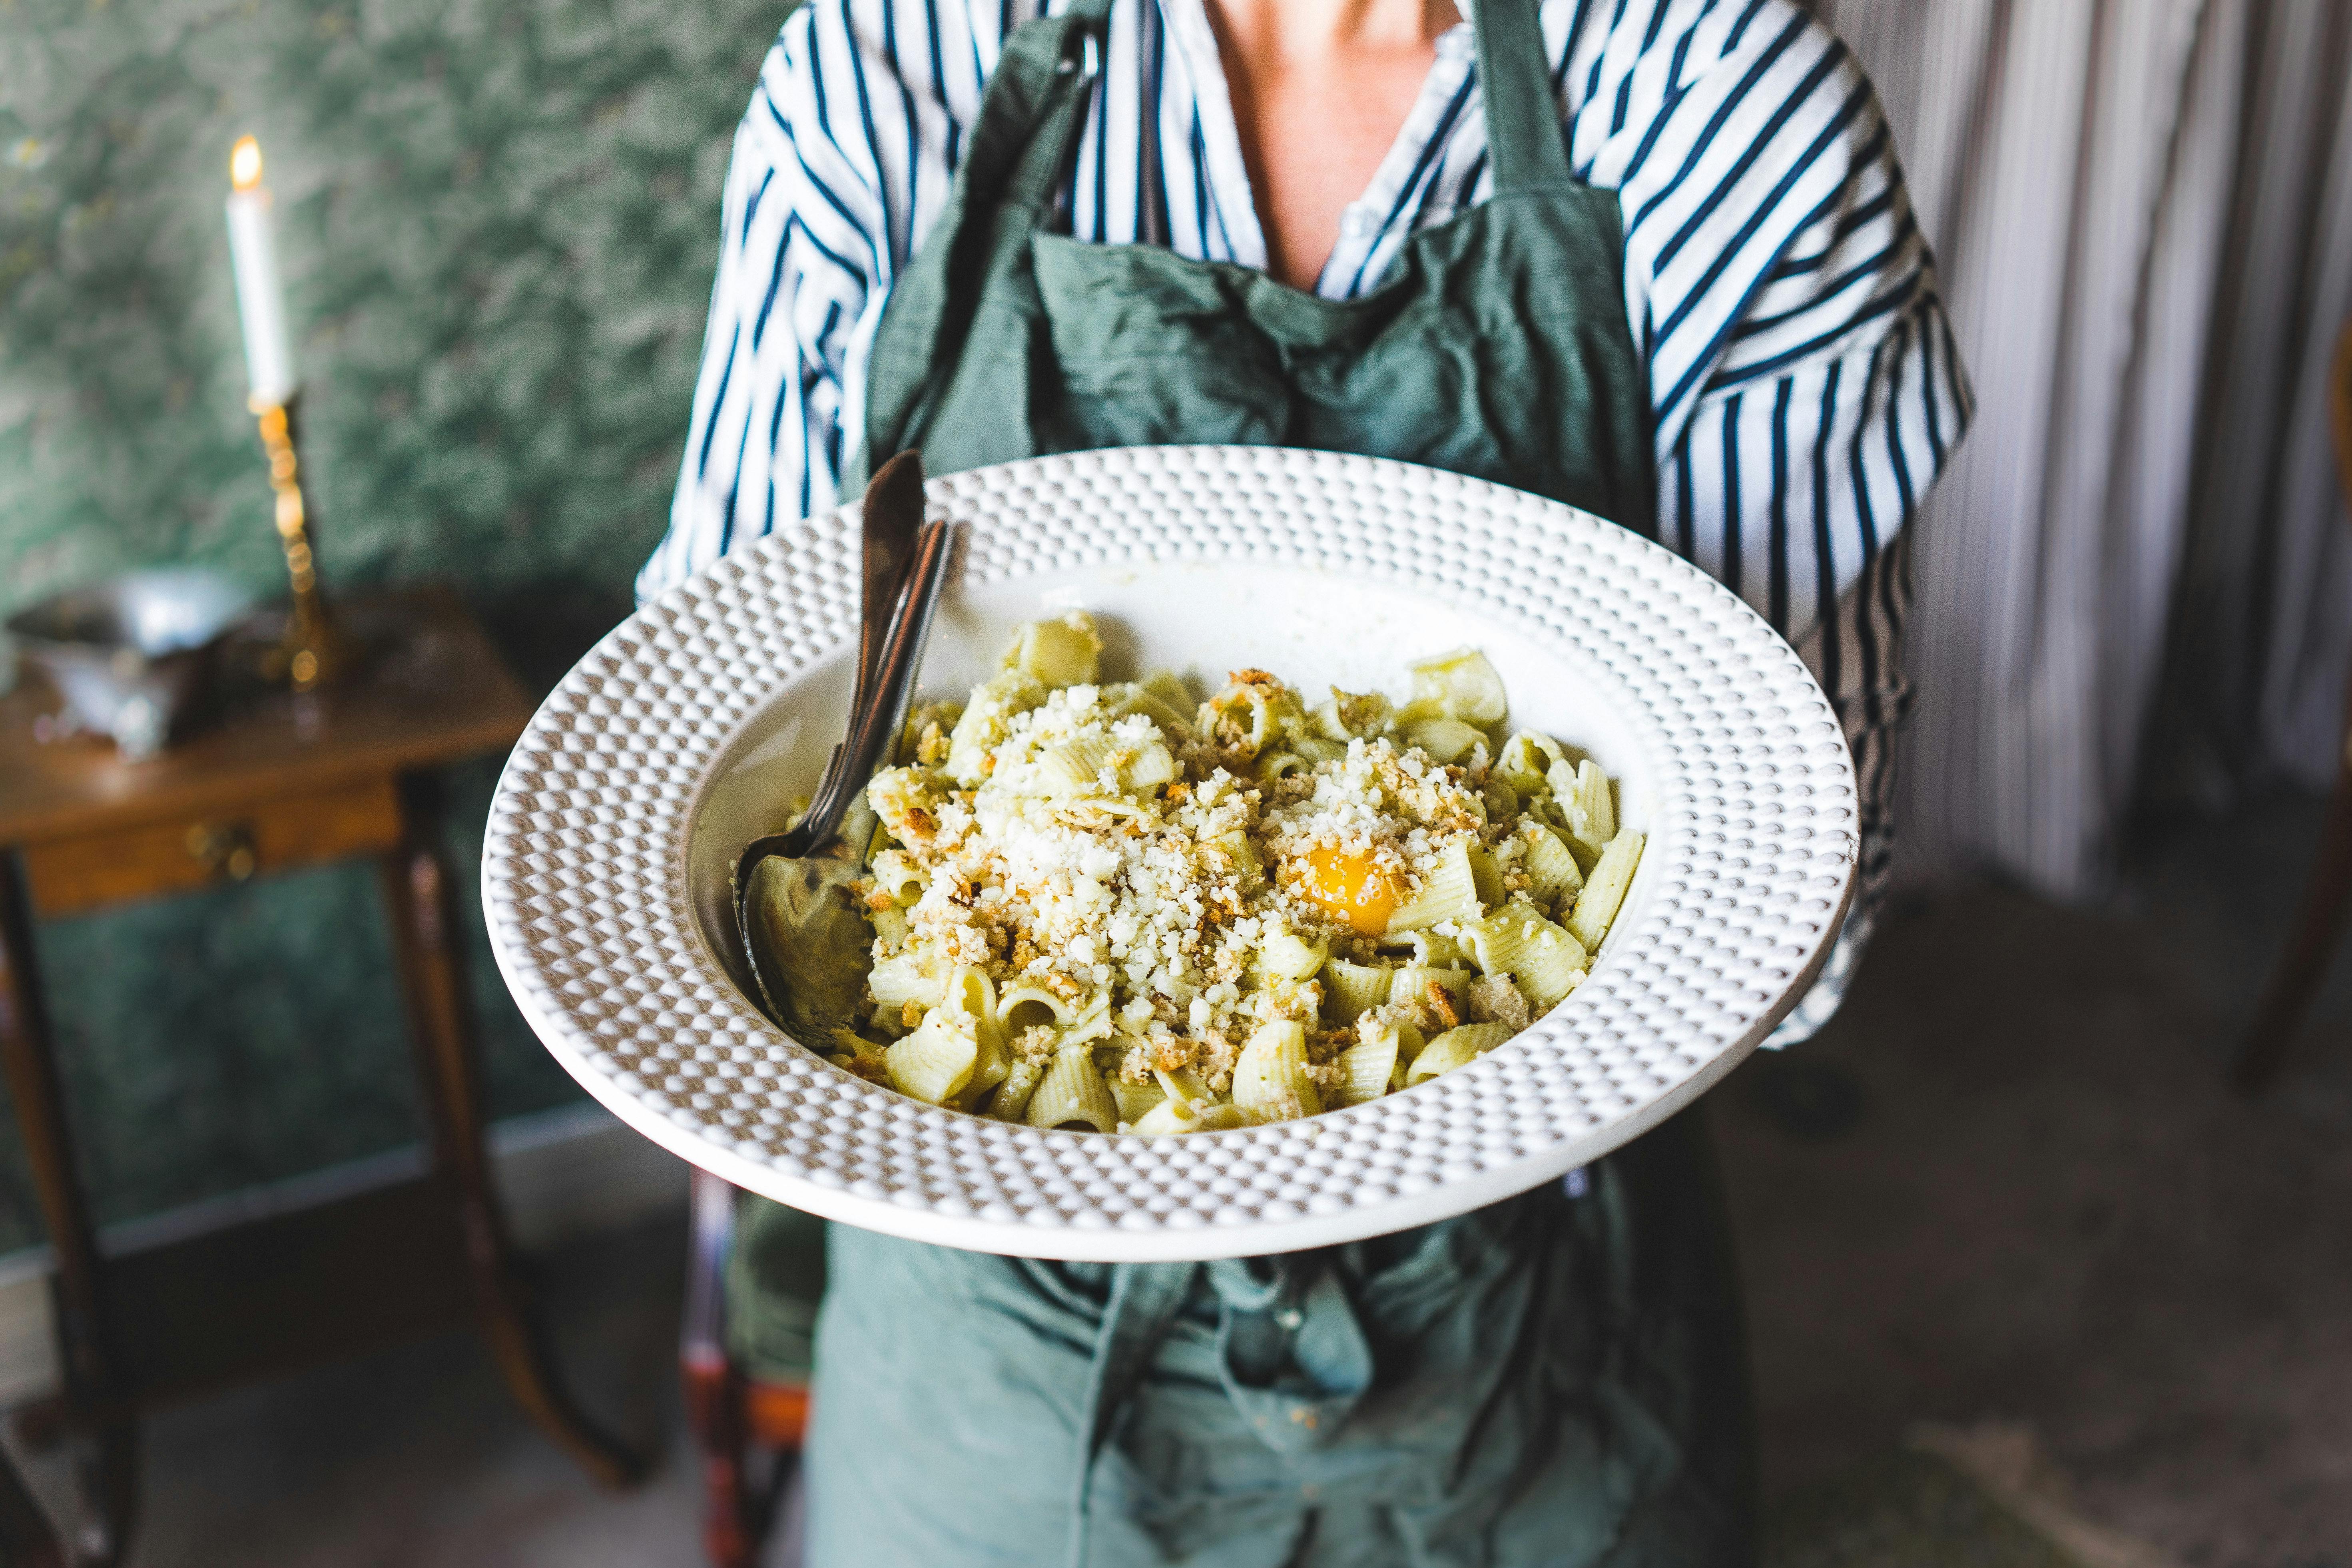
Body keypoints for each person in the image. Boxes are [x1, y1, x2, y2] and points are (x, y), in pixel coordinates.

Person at [640, 1, 1969, 1563]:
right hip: (988, 1389)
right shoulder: (881, 72)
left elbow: (1801, 915)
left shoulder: (1723, 101)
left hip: (1532, 1354)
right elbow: (694, 775)